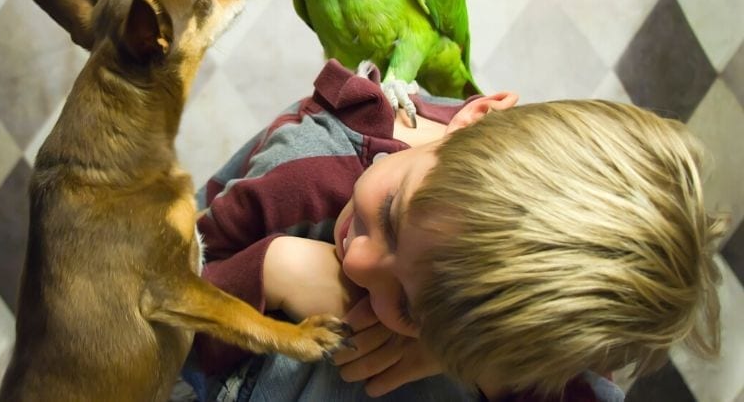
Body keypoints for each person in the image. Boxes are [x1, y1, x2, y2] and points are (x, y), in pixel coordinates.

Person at [182, 59, 724, 402]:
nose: (358, 263)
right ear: (475, 117)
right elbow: (142, 305)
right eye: (392, 214)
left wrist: (462, 351)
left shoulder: (522, 323)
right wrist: (271, 270)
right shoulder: (304, 169)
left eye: (412, 307)